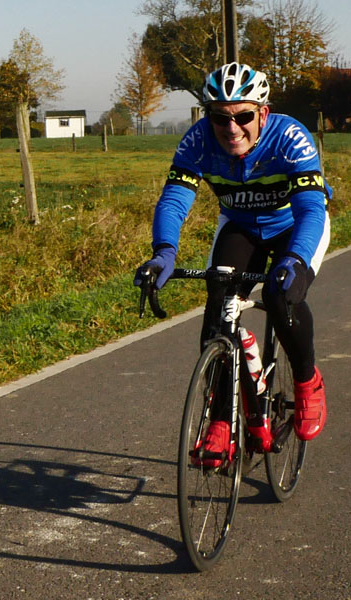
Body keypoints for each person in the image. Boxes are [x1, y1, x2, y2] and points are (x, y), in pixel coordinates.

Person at [134, 62, 331, 446]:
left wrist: (295, 259)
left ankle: (307, 381)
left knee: (281, 295)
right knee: (218, 307)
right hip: (241, 225)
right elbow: (174, 201)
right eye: (220, 118)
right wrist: (164, 252)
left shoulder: (290, 137)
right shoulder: (197, 141)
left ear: (263, 114)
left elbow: (311, 209)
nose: (231, 128)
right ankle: (221, 420)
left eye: (243, 116)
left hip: (293, 225)